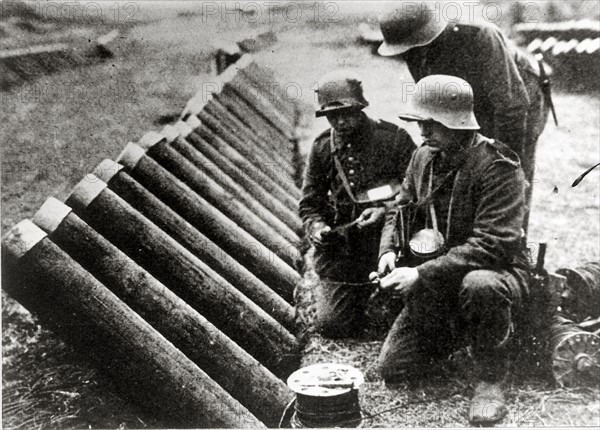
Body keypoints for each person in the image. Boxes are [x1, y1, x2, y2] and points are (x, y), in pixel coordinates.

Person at [375, 75, 532, 425]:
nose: (423, 132)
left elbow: (492, 245)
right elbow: (401, 207)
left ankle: (491, 376)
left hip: (495, 272)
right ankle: (468, 335)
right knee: (395, 368)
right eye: (421, 123)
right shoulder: (423, 157)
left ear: (457, 123)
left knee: (480, 285)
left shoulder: (498, 166)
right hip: (440, 280)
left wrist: (419, 273)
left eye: (431, 124)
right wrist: (389, 250)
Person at [378, 1, 551, 228]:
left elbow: (512, 107)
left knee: (506, 176)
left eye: (416, 46)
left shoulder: (479, 35)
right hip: (468, 97)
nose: (411, 54)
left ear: (430, 32)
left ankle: (511, 247)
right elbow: (432, 101)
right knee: (463, 162)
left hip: (520, 93)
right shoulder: (414, 50)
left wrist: (508, 164)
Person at [299, 70, 416, 338]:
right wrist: (316, 226)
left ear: (361, 108)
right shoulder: (321, 149)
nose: (340, 121)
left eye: (347, 113)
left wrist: (384, 210)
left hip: (391, 241)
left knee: (397, 316)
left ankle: (383, 293)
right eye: (332, 116)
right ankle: (362, 292)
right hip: (346, 249)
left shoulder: (393, 139)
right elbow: (310, 202)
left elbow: (418, 192)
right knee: (333, 325)